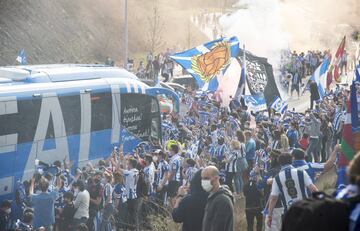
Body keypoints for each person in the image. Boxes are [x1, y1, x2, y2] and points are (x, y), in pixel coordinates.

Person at [267, 153, 318, 228]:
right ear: (292, 160)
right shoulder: (301, 173)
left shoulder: (277, 178)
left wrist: (269, 215)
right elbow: (313, 189)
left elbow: (274, 198)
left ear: (279, 163)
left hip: (288, 214)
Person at [201, 166, 234, 231]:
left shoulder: (222, 200)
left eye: (206, 178)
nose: (203, 181)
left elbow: (218, 227)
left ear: (216, 178)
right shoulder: (213, 197)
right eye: (202, 179)